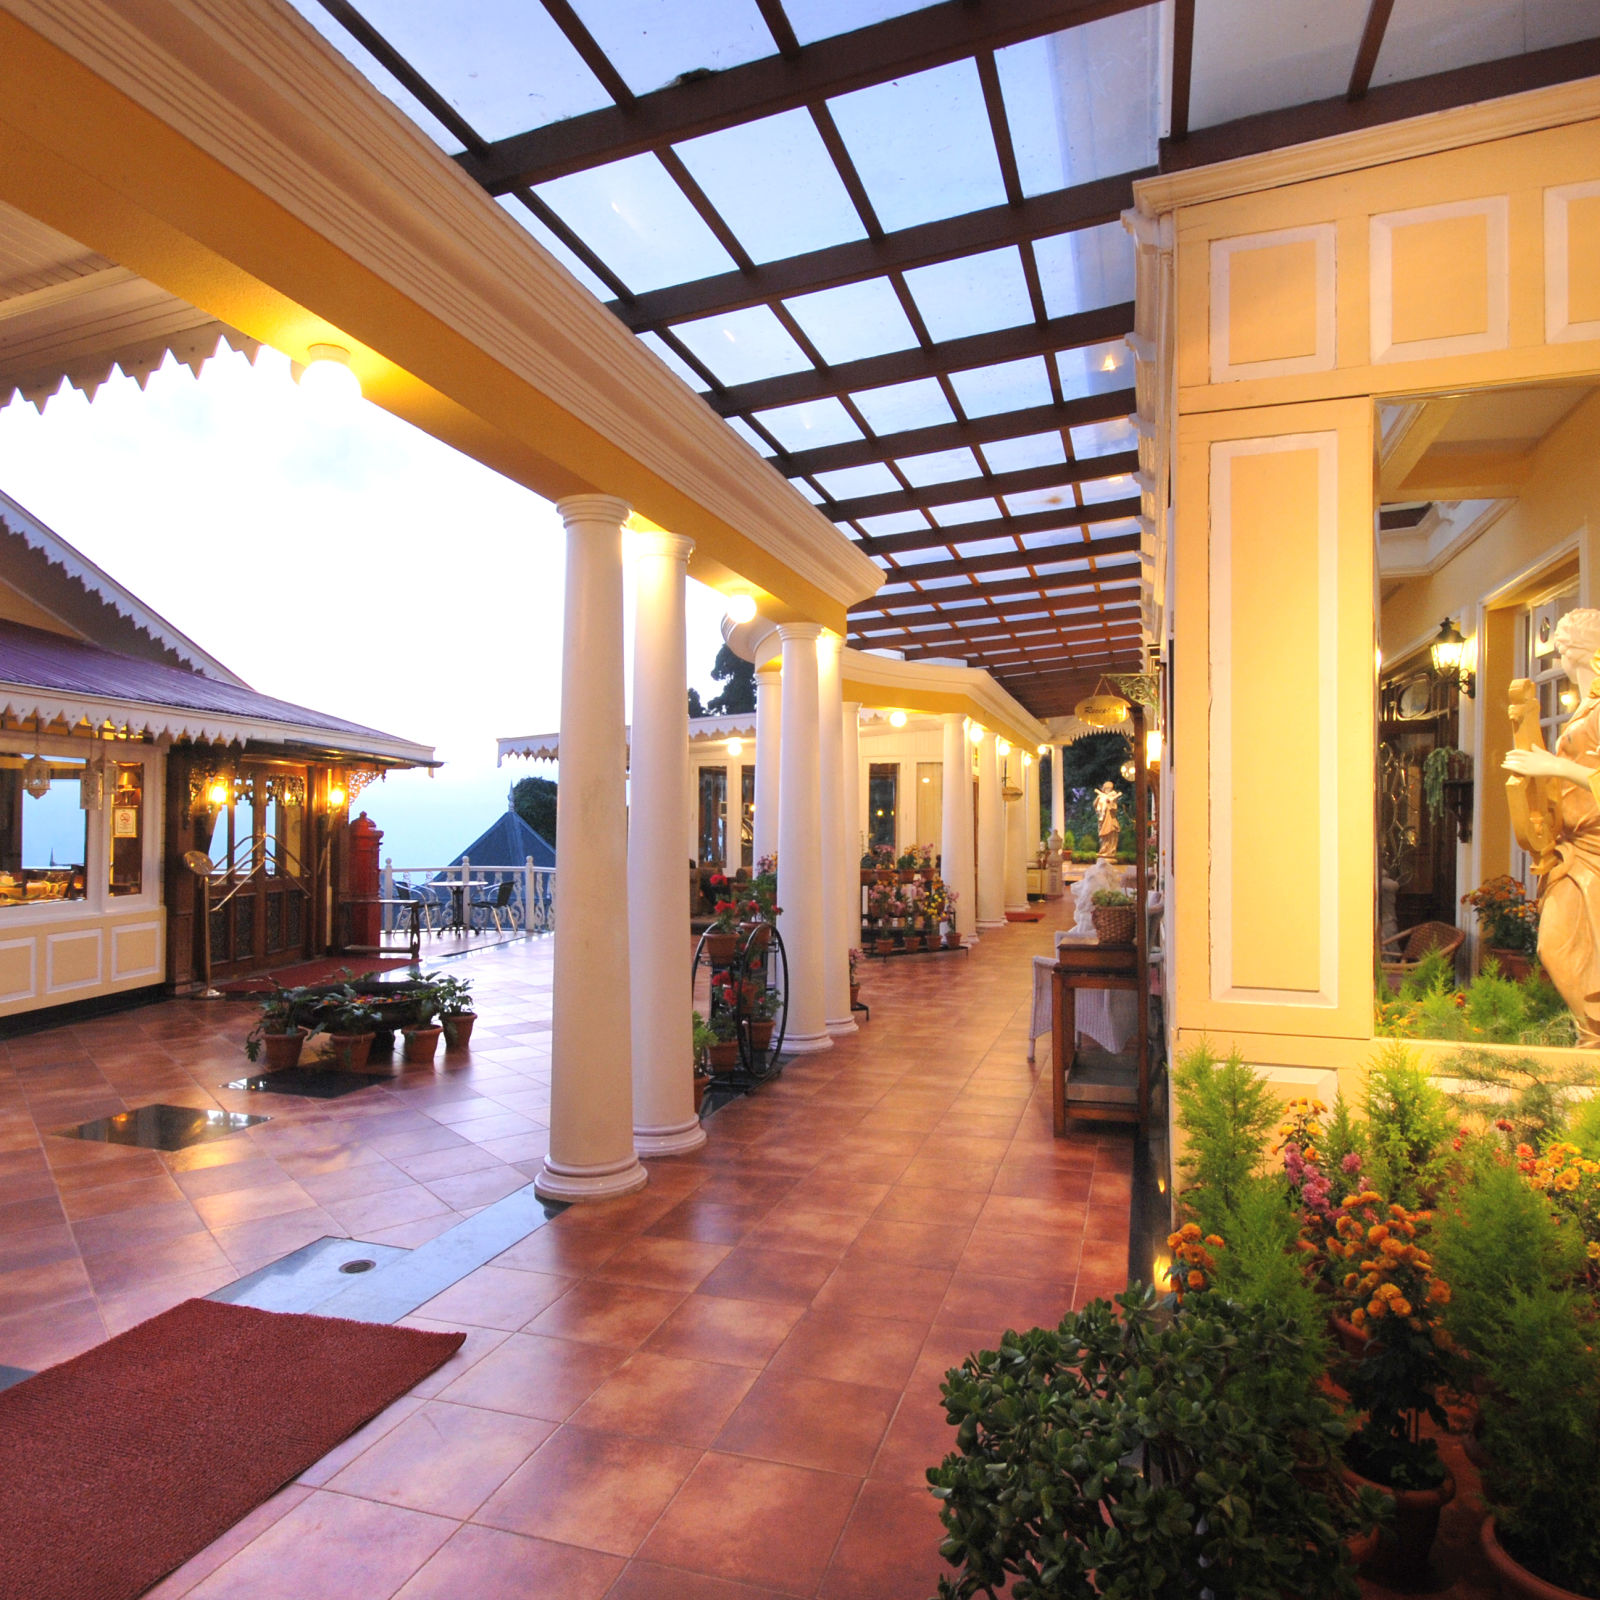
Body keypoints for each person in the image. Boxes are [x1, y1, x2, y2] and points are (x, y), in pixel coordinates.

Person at [1501, 607, 1600, 1044]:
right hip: (1574, 845)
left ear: (1570, 650)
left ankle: (1592, 1042)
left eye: (1558, 648)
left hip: (1596, 848)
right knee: (1557, 948)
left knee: (1561, 948)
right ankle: (1590, 1039)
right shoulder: (1588, 704)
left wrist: (1550, 764)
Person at [1093, 781, 1122, 860]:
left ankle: (1110, 851)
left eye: (1110, 788)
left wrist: (1110, 802)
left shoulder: (1111, 798)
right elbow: (1095, 806)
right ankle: (1103, 850)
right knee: (1104, 835)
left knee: (1111, 833)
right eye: (1107, 788)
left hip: (1110, 819)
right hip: (1103, 819)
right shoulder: (1101, 797)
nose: (1108, 790)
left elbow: (1114, 808)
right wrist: (1098, 798)